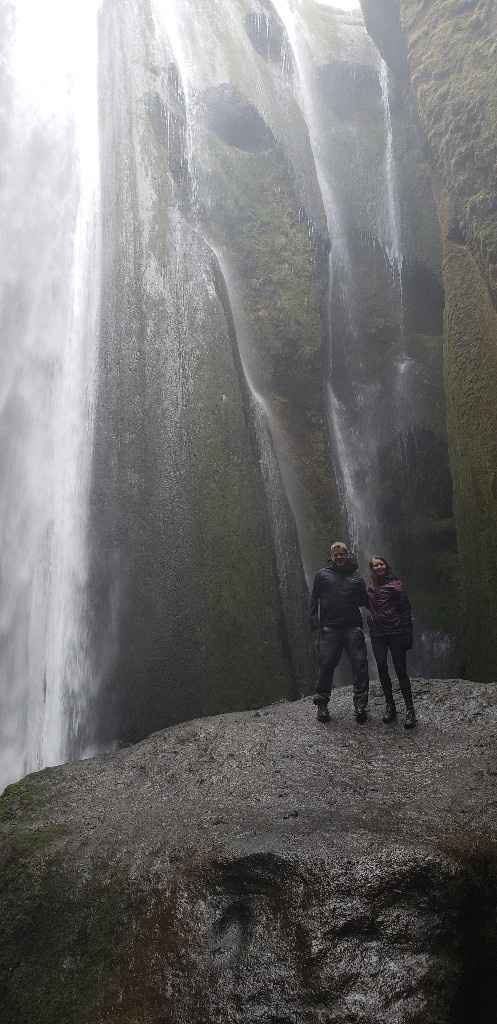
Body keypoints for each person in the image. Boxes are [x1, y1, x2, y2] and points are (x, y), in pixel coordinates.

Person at [310, 541, 369, 724]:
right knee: (326, 665)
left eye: (342, 554)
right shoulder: (322, 575)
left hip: (352, 627)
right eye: (336, 555)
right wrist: (313, 621)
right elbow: (314, 599)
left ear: (347, 555)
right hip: (330, 628)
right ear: (332, 556)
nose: (339, 557)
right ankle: (322, 705)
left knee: (359, 665)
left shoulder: (357, 578)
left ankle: (360, 705)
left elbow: (365, 601)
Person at [367, 556, 416, 729]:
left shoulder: (396, 585)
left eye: (381, 564)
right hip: (377, 634)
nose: (378, 567)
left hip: (395, 632)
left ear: (386, 565)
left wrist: (407, 634)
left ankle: (410, 710)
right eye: (375, 565)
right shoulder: (369, 587)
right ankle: (391, 707)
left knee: (400, 669)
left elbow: (405, 609)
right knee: (381, 668)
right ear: (371, 569)